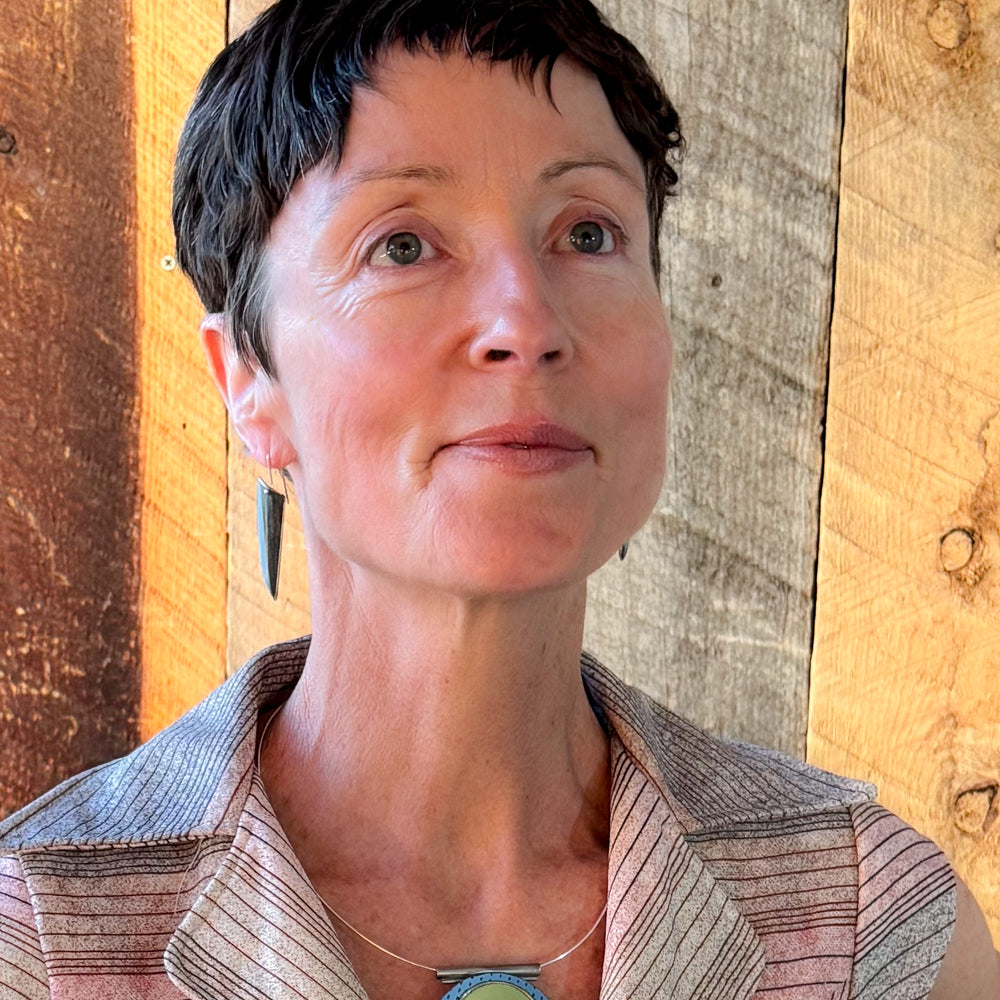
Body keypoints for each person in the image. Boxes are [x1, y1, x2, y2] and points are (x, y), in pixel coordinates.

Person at [1, 1, 997, 997]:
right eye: (401, 246)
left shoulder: (875, 925)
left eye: (588, 232)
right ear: (246, 383)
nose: (525, 320)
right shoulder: (34, 945)